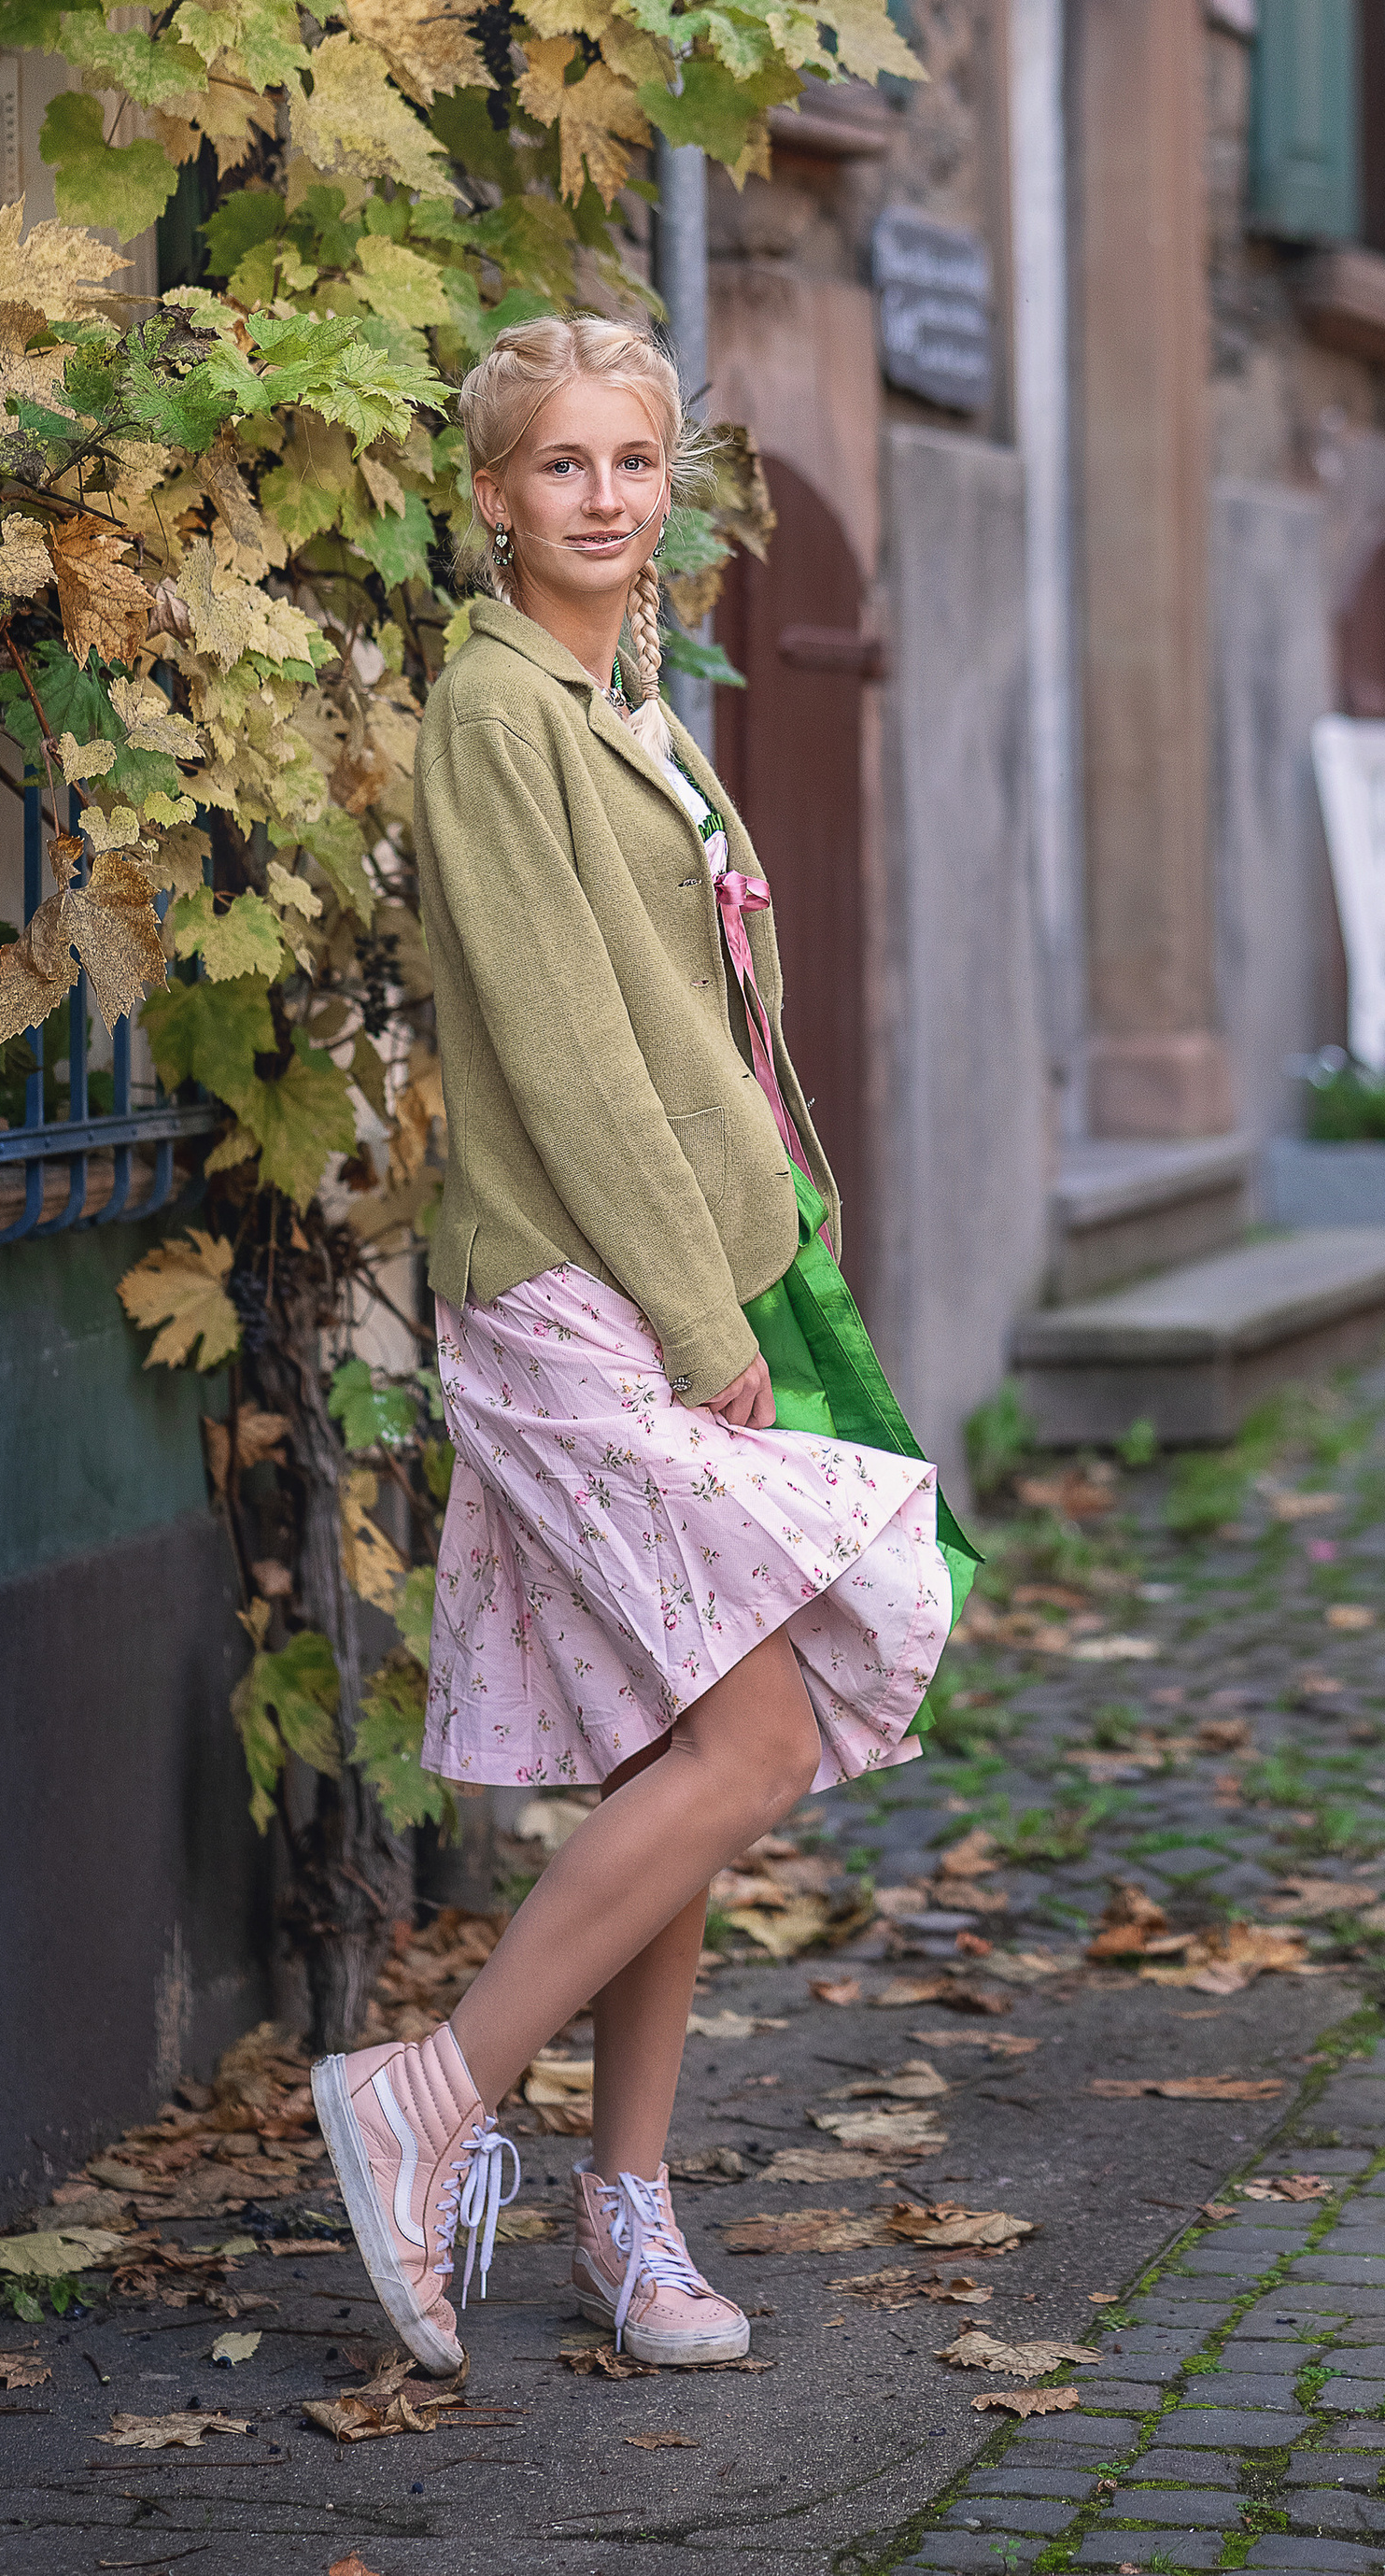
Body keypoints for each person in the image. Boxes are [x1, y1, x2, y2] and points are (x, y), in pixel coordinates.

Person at [310, 313, 967, 2378]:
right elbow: (567, 1045)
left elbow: (706, 1022)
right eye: (560, 465)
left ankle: (626, 2213)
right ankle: (426, 2101)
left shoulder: (631, 703)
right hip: (579, 1300)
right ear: (490, 498)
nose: (602, 495)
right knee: (753, 1747)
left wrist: (762, 1257)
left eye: (631, 460)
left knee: (672, 1755)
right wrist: (699, 1314)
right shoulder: (496, 712)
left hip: (670, 1269)